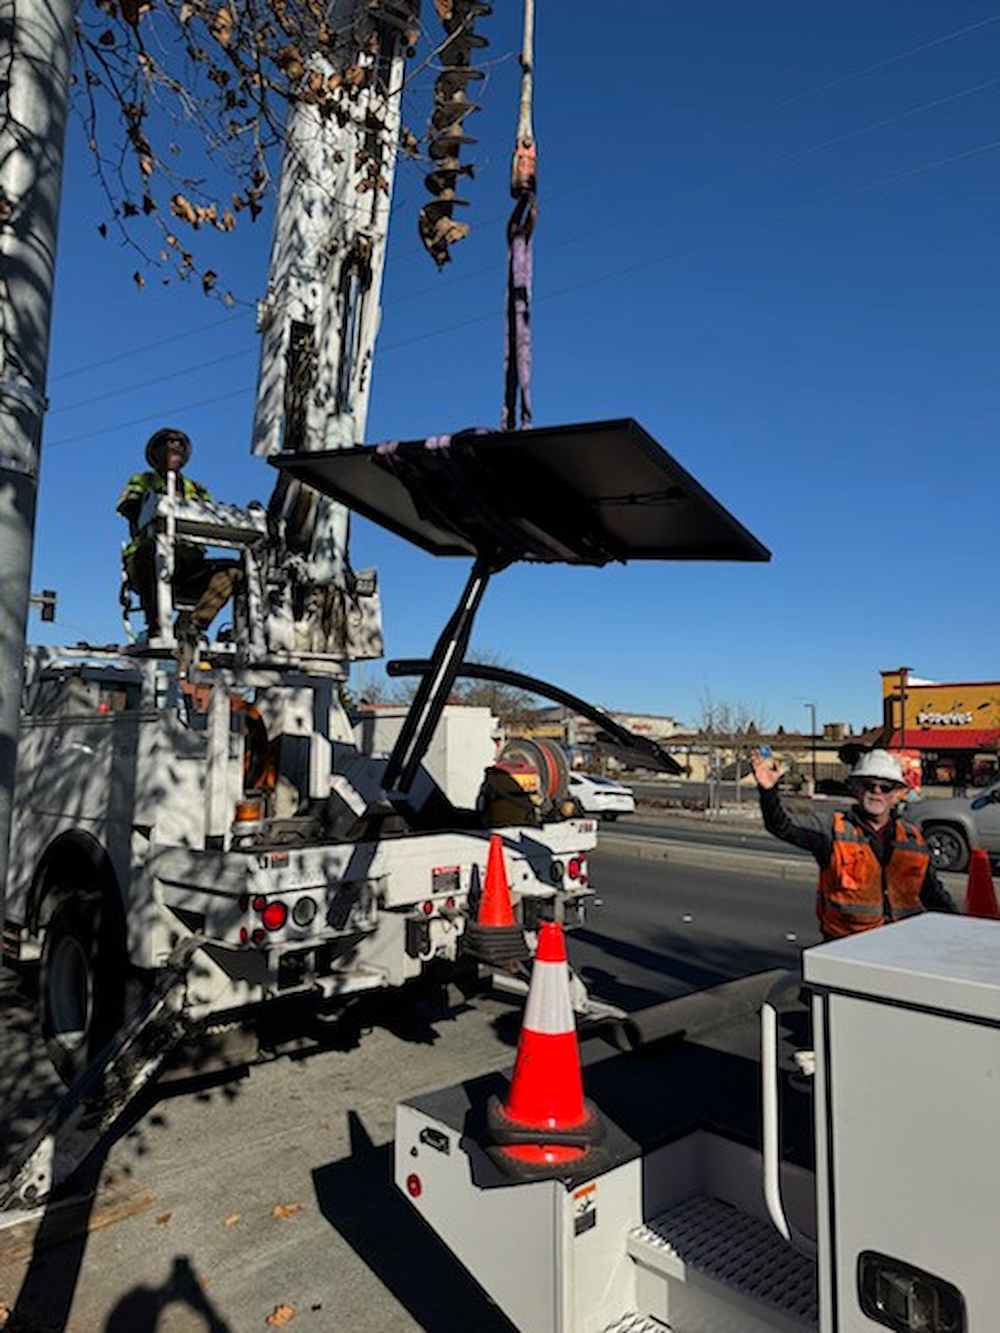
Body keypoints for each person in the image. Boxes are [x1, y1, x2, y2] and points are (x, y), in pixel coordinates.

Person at [750, 746, 956, 940]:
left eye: (885, 787)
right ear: (856, 789)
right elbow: (783, 826)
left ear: (896, 795)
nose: (876, 791)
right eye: (868, 785)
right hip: (844, 946)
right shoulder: (833, 829)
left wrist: (961, 928)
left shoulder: (914, 840)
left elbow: (933, 895)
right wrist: (768, 792)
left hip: (901, 945)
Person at [117, 428, 241, 659]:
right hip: (150, 561)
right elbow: (130, 508)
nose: (174, 447)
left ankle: (192, 626)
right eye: (168, 443)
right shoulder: (143, 480)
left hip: (189, 566)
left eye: (179, 444)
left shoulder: (197, 489)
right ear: (155, 452)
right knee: (150, 552)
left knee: (233, 570)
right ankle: (156, 624)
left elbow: (211, 516)